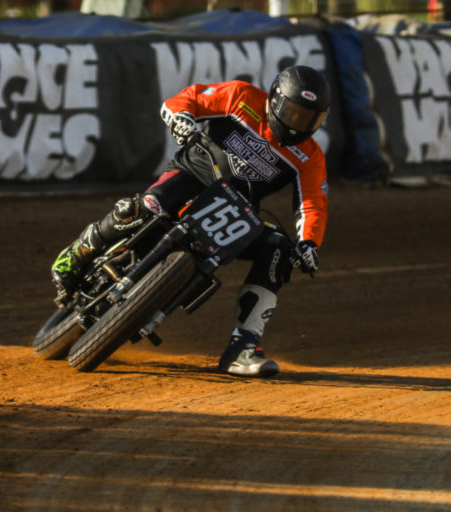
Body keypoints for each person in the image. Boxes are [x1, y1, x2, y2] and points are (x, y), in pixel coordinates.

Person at [51, 65, 330, 377]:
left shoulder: (310, 156)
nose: (297, 123)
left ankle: (244, 345)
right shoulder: (241, 96)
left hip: (236, 211)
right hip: (191, 174)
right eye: (293, 112)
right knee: (140, 208)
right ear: (275, 100)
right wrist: (181, 118)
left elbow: (313, 202)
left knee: (279, 249)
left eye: (308, 118)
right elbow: (188, 99)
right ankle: (78, 253)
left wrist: (309, 243)